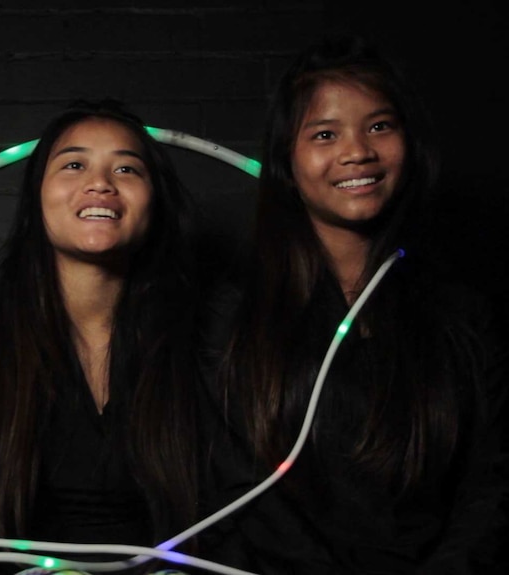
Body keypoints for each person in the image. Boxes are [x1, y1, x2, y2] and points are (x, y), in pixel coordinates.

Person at [203, 34, 509, 574]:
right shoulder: (234, 317)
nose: (357, 151)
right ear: (286, 160)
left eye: (380, 126)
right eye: (325, 133)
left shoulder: (462, 313)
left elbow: (492, 482)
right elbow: (235, 493)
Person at [0, 99, 215, 574]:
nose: (100, 183)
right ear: (37, 195)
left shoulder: (202, 345)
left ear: (155, 202)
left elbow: (236, 520)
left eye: (127, 169)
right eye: (74, 164)